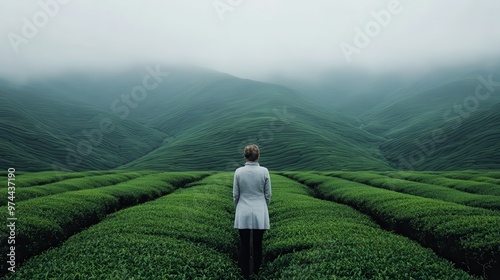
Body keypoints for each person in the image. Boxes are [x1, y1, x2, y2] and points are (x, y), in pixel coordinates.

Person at [233, 144, 272, 279]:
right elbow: (268, 195)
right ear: (258, 156)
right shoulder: (264, 171)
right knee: (257, 244)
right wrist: (263, 206)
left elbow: (235, 195)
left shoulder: (238, 172)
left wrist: (238, 208)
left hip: (243, 210)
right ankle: (256, 272)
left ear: (245, 156)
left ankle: (244, 274)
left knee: (244, 244)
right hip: (260, 211)